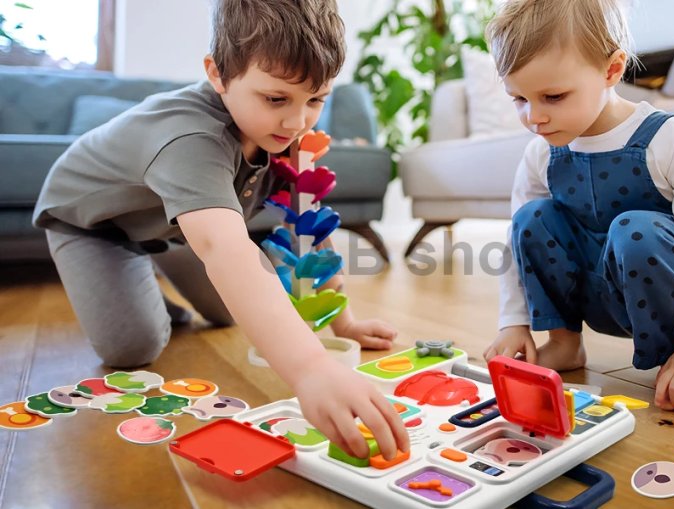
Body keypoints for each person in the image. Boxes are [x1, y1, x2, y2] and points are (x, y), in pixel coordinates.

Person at [32, 0, 408, 460]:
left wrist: (341, 322)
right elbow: (225, 250)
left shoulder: (286, 132)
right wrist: (310, 367)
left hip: (174, 229)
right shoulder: (192, 139)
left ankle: (149, 283)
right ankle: (139, 289)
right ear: (217, 73)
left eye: (315, 99)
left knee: (230, 311)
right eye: (275, 99)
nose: (296, 122)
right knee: (134, 347)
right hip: (93, 224)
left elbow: (310, 226)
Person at [482, 0, 674, 412]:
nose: (534, 117)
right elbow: (516, 246)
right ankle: (564, 342)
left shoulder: (668, 140)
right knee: (530, 219)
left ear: (611, 70)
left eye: (553, 96)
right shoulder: (541, 154)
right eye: (518, 98)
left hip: (662, 293)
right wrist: (513, 322)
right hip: (595, 293)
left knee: (634, 230)